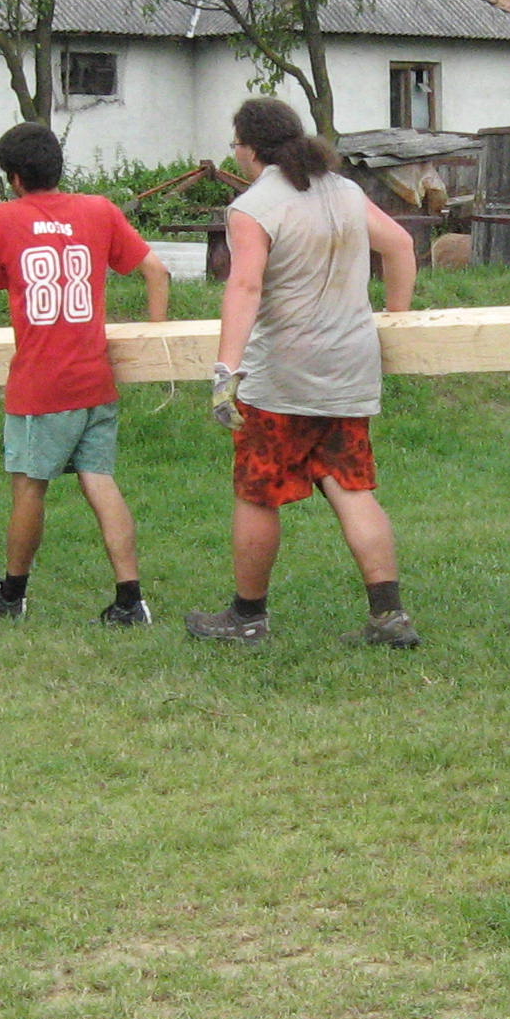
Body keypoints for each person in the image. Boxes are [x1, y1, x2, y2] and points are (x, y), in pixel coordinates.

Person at [186, 97, 422, 649]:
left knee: (258, 493)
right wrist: (397, 318)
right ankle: (389, 617)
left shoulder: (254, 206)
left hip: (282, 380)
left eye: (236, 144)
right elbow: (401, 245)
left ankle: (247, 617)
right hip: (349, 368)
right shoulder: (344, 191)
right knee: (352, 487)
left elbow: (245, 286)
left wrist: (226, 372)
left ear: (250, 148)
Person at [0, 121, 169, 627]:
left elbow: (2, 281)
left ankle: (12, 592)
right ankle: (130, 598)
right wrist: (157, 338)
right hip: (94, 378)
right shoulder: (99, 209)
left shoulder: (1, 218)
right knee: (100, 481)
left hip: (41, 382)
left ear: (15, 177)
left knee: (29, 487)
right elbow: (157, 272)